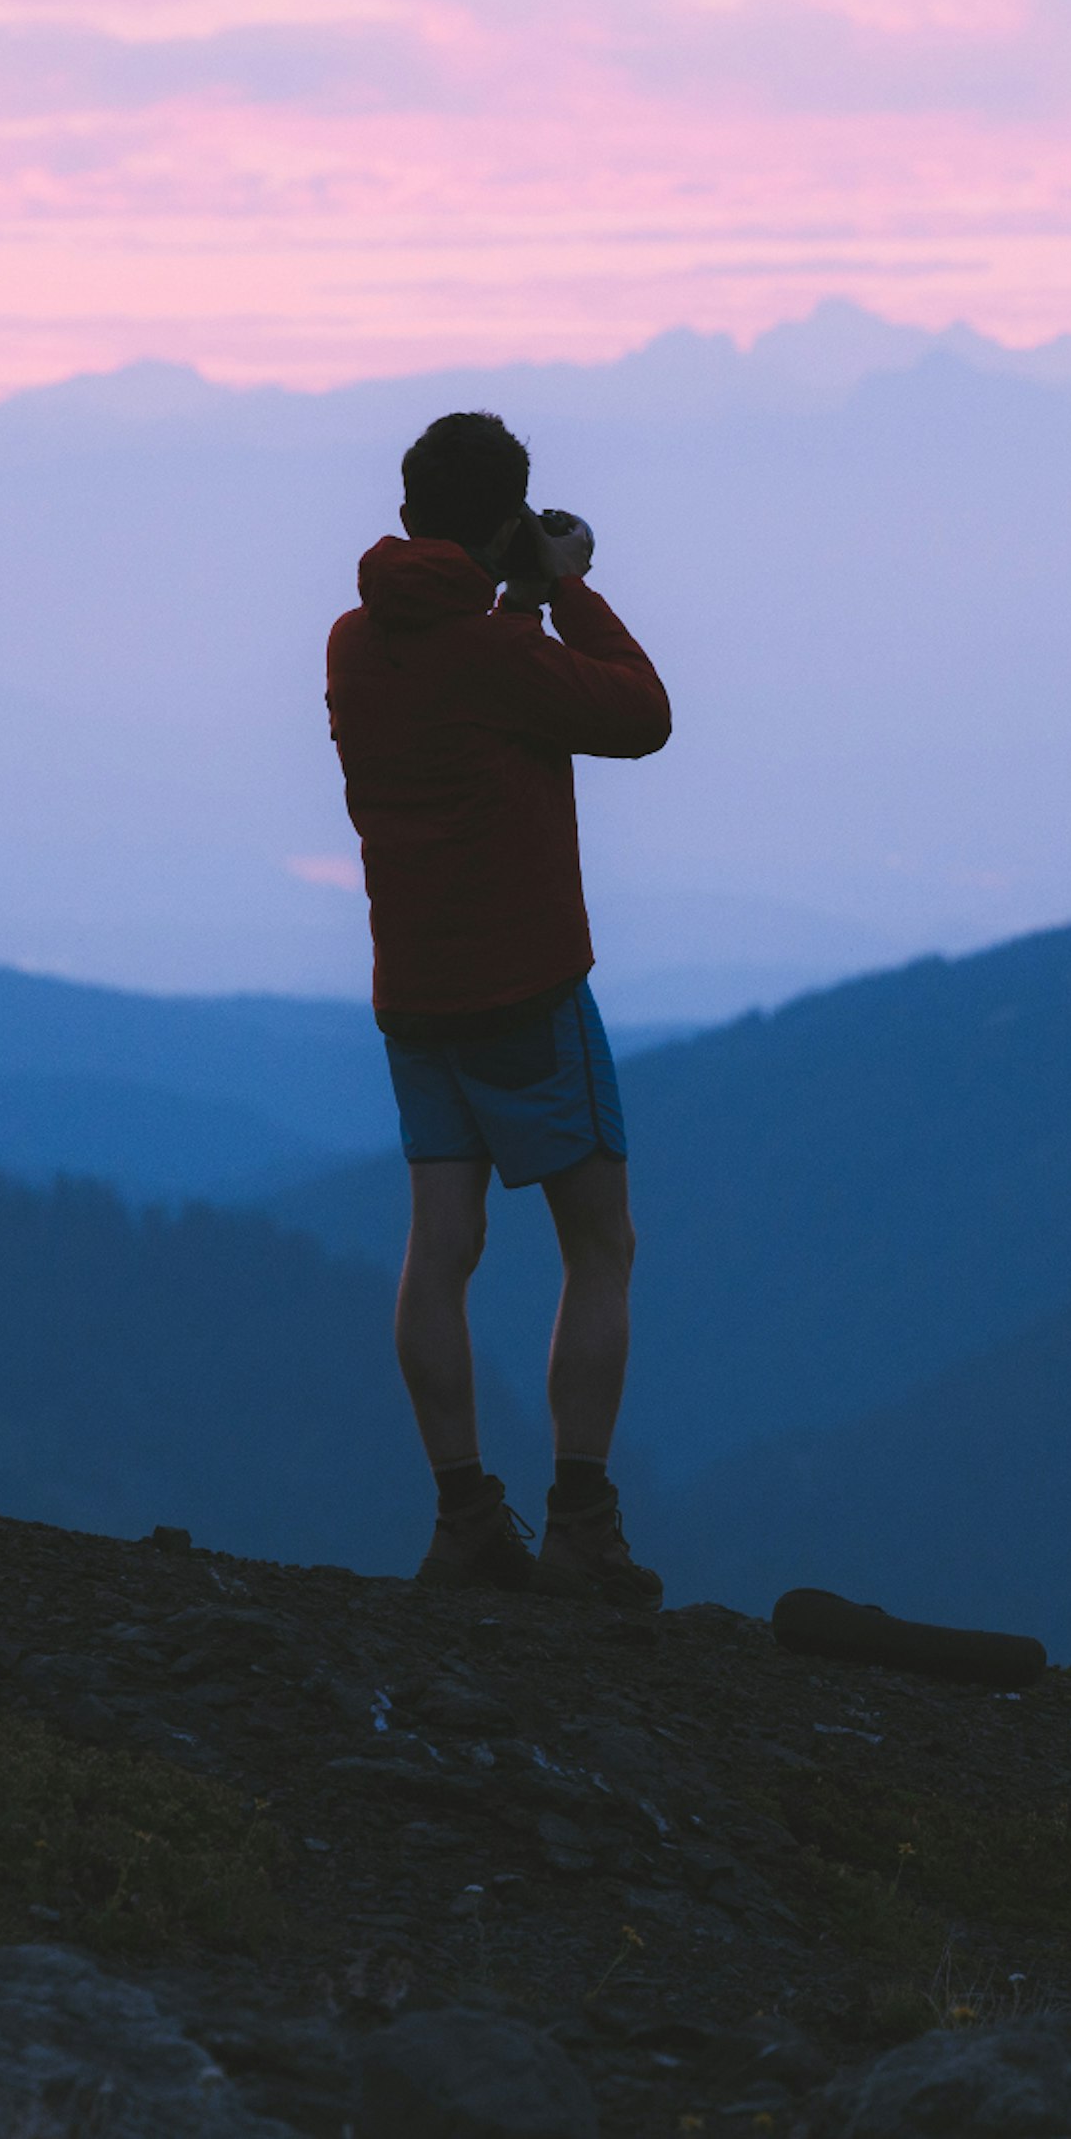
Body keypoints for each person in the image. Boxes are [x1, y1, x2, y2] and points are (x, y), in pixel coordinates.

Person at [326, 412, 672, 1605]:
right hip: (526, 989)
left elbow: (473, 683)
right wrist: (565, 587)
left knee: (442, 1253)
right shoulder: (499, 649)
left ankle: (466, 1518)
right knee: (600, 1246)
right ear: (503, 518)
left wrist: (510, 594)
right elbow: (641, 715)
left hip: (415, 995)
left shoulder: (353, 645)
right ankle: (582, 1521)